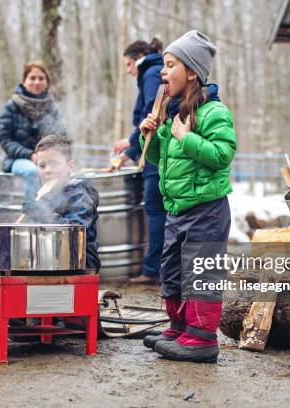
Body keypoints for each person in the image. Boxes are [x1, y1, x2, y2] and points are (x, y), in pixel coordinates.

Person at [138, 31, 237, 363]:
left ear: (192, 71)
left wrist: (186, 138)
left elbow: (222, 155)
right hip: (177, 210)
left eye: (170, 65)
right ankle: (179, 326)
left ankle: (202, 338)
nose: (163, 73)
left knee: (200, 272)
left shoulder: (214, 113)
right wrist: (147, 138)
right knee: (173, 270)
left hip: (206, 211)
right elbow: (160, 162)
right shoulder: (174, 112)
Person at [111, 39, 167, 284]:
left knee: (155, 210)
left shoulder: (151, 72)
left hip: (157, 152)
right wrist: (131, 152)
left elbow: (152, 111)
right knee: (156, 211)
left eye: (129, 63)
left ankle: (153, 270)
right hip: (151, 147)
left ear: (141, 57)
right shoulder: (154, 71)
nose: (128, 70)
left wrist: (131, 140)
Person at [25, 135, 101, 272]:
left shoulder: (81, 195)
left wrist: (42, 212)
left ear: (70, 166)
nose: (48, 170)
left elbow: (71, 233)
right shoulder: (43, 196)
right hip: (47, 263)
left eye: (54, 163)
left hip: (79, 266)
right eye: (42, 166)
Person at [0, 61, 66, 207]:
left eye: (41, 78)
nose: (37, 82)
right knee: (33, 171)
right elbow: (5, 140)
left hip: (47, 158)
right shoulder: (11, 107)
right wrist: (30, 155)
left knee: (63, 170)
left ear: (47, 82)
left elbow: (61, 136)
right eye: (32, 78)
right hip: (18, 159)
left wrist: (50, 155)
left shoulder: (52, 108)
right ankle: (32, 215)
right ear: (24, 81)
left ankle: (58, 215)